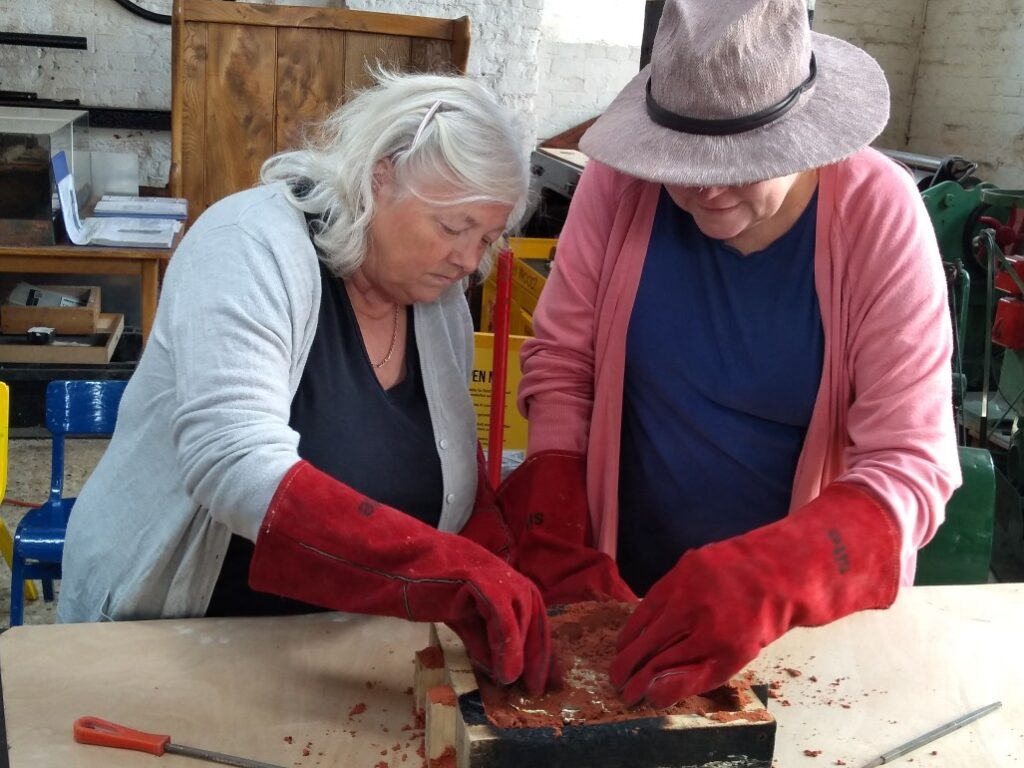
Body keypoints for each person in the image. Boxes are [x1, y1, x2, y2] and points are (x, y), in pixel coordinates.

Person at [505, 0, 962, 708]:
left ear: (803, 136)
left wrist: (773, 576)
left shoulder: (880, 214)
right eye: (680, 162)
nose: (705, 188)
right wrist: (556, 527)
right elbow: (564, 364)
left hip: (793, 626)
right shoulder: (620, 183)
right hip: (619, 587)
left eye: (740, 162)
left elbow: (912, 465)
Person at [57, 71, 551, 695]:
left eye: (486, 238)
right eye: (453, 228)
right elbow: (233, 462)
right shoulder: (247, 243)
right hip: (179, 640)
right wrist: (436, 569)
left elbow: (455, 481)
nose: (467, 260)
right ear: (381, 175)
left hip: (340, 659)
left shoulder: (439, 302)